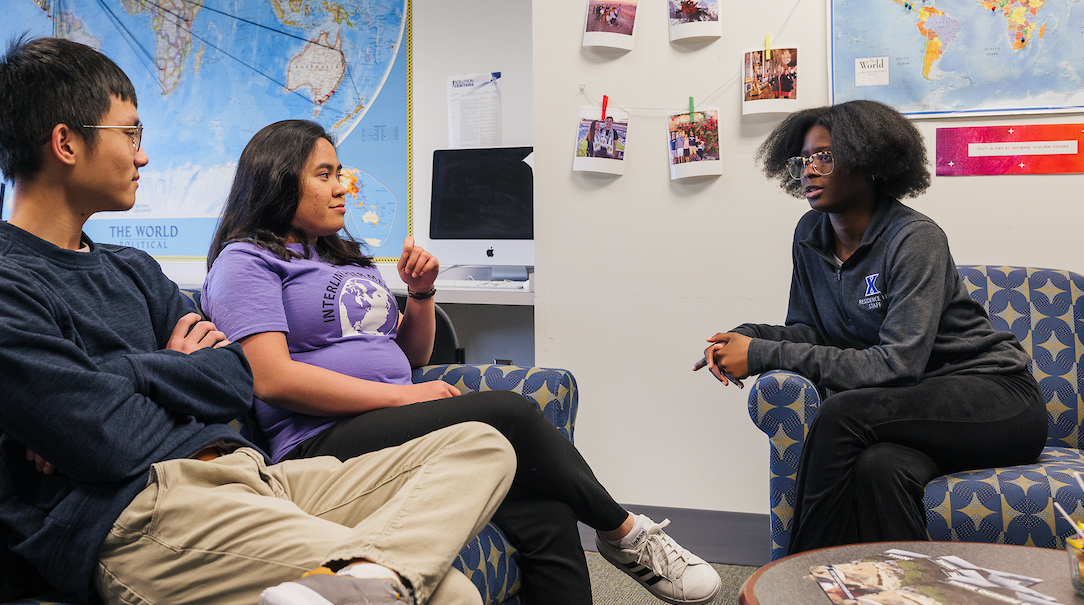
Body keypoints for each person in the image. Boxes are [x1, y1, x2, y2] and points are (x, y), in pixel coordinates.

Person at [0, 36, 517, 605]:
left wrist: (115, 373)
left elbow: (234, 378)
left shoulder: (132, 269)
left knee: (483, 445)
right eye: (131, 133)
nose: (142, 154)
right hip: (144, 516)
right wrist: (172, 365)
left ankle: (356, 576)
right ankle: (357, 581)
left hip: (251, 476)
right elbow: (107, 443)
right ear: (65, 143)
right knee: (451, 594)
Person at [200, 119, 722, 605]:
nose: (343, 186)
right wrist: (401, 396)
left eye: (341, 172)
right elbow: (271, 378)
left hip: (387, 419)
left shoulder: (335, 254)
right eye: (325, 174)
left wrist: (421, 295)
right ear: (277, 182)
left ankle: (614, 536)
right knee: (508, 412)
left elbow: (408, 356)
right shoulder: (245, 261)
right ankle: (625, 533)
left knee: (546, 511)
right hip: (319, 438)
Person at [693, 100, 1047, 553]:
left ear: (869, 162)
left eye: (825, 156)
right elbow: (810, 332)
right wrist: (747, 337)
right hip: (910, 415)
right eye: (803, 159)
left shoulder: (914, 238)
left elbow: (898, 364)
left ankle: (795, 579)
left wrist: (762, 356)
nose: (809, 170)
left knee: (843, 414)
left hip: (995, 400)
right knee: (877, 469)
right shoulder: (810, 235)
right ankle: (905, 592)